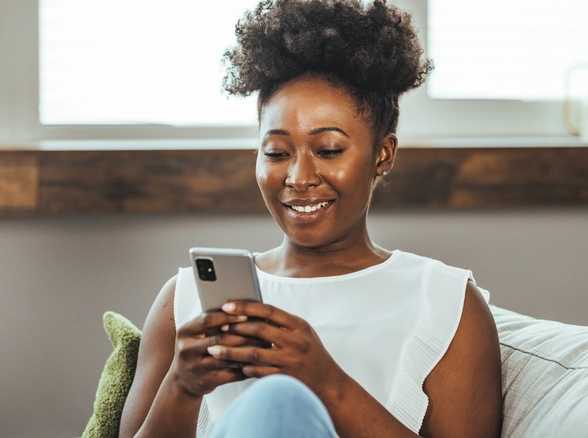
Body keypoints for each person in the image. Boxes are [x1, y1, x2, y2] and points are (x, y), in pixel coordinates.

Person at [119, 0, 502, 436]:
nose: (299, 178)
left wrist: (327, 382)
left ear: (383, 153)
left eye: (330, 150)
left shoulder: (446, 304)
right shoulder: (185, 300)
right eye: (277, 153)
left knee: (279, 400)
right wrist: (181, 388)